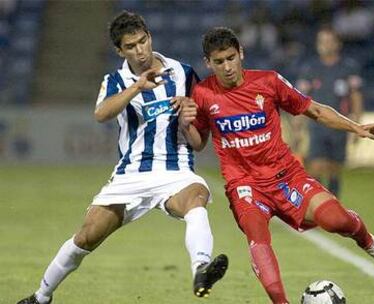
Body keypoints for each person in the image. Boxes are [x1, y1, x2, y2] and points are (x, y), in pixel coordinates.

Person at [17, 11, 228, 304]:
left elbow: (198, 142)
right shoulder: (116, 80)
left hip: (175, 170)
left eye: (143, 41)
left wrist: (187, 118)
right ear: (120, 50)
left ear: (150, 36)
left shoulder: (183, 73)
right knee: (86, 237)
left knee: (196, 199)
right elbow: (101, 114)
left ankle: (201, 269)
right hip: (130, 176)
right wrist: (137, 86)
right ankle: (41, 297)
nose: (140, 49)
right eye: (131, 46)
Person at [177, 27, 374, 304]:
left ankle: (367, 241)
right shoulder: (203, 93)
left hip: (286, 176)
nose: (227, 67)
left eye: (231, 58)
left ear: (241, 54)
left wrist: (356, 127)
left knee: (335, 220)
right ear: (208, 63)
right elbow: (198, 143)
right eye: (219, 62)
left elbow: (315, 110)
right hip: (244, 185)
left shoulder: (268, 82)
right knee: (257, 237)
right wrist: (185, 125)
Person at [295, 26, 364, 197]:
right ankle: (318, 205)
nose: (324, 45)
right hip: (316, 125)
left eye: (328, 41)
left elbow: (356, 96)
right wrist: (298, 125)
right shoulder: (310, 68)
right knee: (316, 166)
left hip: (340, 125)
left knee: (335, 169)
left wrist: (357, 125)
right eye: (321, 41)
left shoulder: (348, 68)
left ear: (337, 44)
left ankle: (333, 206)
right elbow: (299, 98)